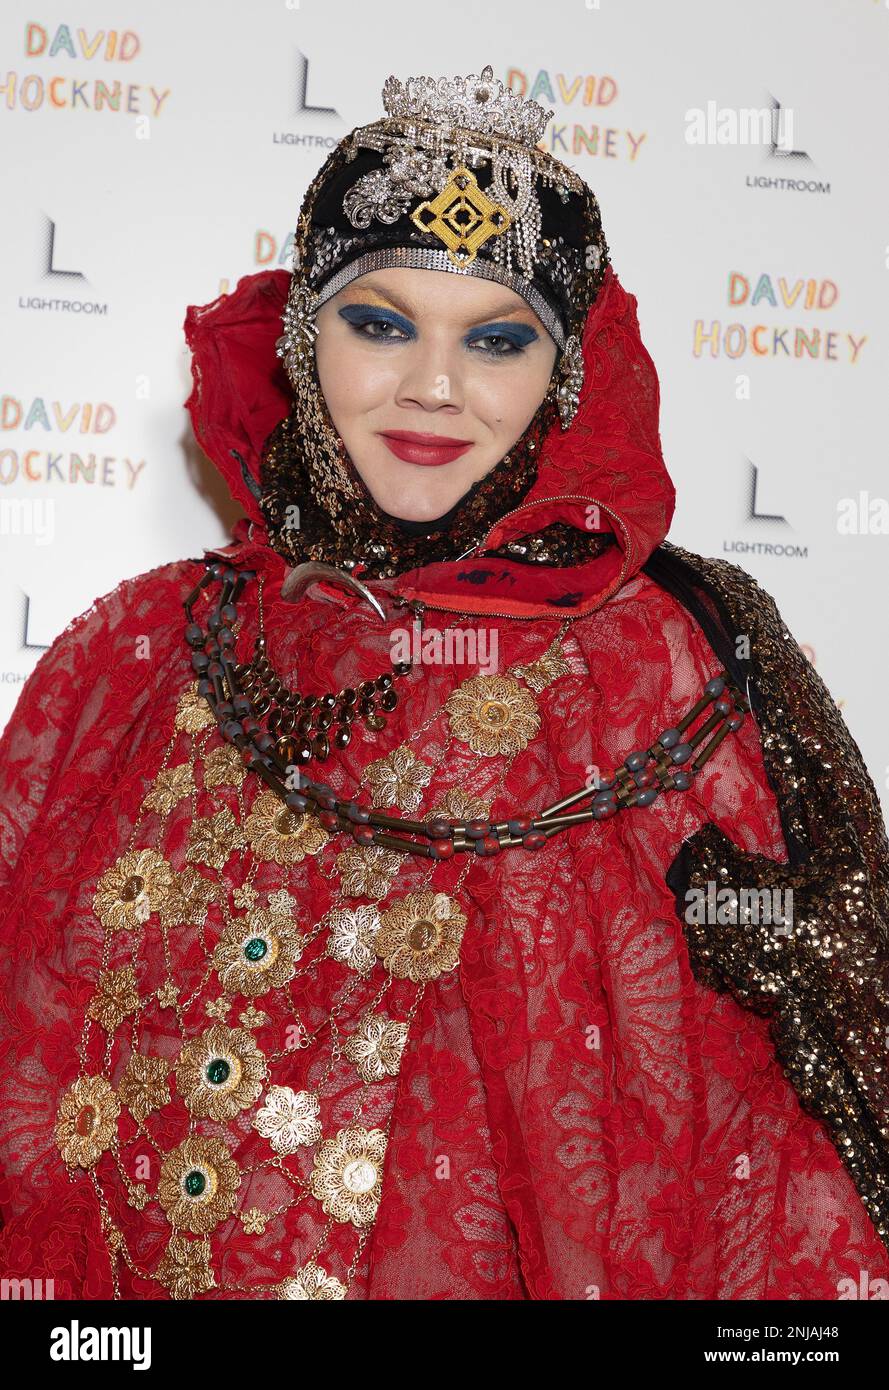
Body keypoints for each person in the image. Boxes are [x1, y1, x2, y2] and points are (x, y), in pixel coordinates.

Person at [0, 64, 887, 1302]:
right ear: (306, 336)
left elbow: (747, 1128)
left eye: (497, 338)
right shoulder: (145, 652)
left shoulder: (654, 663)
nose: (432, 385)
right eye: (380, 322)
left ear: (563, 374)